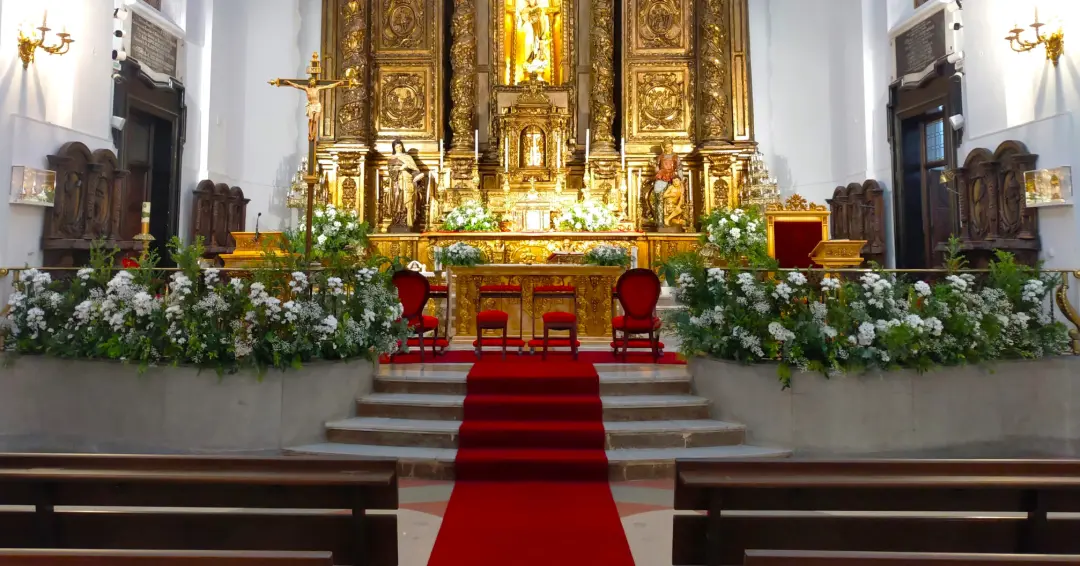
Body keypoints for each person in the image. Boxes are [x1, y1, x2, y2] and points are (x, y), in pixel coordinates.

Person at [387, 140, 425, 228]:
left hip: (408, 180)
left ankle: (408, 220)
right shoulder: (391, 158)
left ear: (402, 147)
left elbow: (415, 169)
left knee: (408, 199)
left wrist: (407, 166)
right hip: (396, 182)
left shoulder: (408, 157)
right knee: (397, 199)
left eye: (400, 146)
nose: (399, 148)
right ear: (394, 148)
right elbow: (390, 171)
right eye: (396, 147)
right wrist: (400, 168)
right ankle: (398, 218)